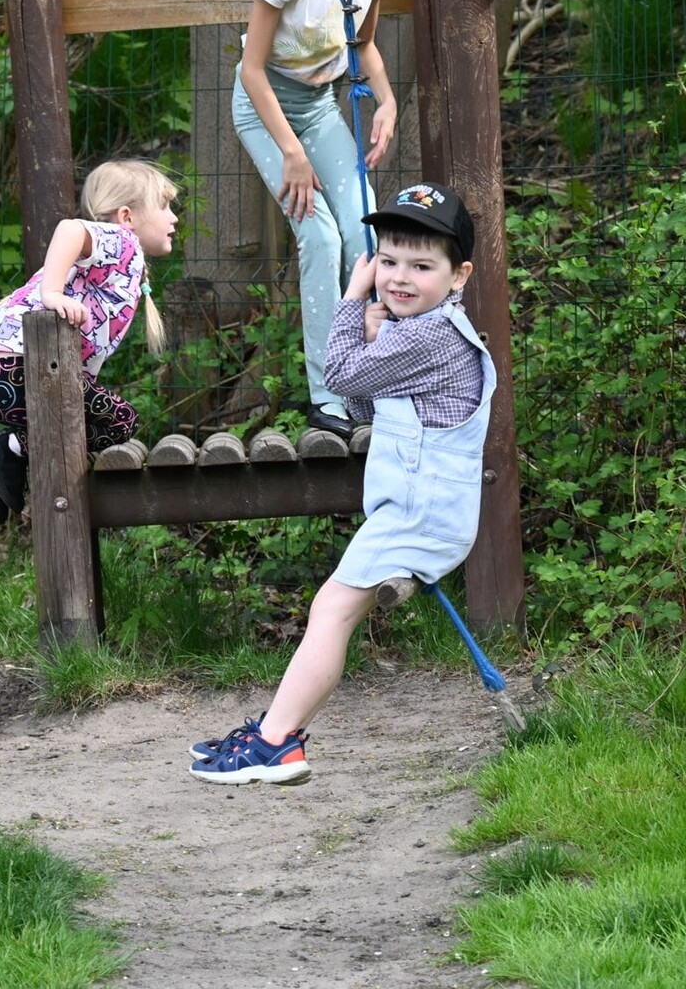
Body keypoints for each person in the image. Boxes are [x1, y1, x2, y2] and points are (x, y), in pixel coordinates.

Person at [188, 183, 496, 785]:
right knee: (331, 611)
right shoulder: (419, 329)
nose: (399, 278)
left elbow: (338, 374)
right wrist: (375, 334)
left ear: (459, 276)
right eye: (388, 261)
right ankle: (277, 732)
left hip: (421, 513)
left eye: (421, 267)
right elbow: (361, 405)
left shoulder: (431, 335)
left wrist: (354, 300)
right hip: (415, 508)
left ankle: (275, 744)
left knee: (329, 610)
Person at [233, 0, 406, 442]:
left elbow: (363, 45)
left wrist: (386, 101)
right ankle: (327, 395)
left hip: (319, 107)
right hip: (266, 111)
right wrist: (292, 153)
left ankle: (370, 377)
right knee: (321, 237)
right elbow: (252, 71)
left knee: (367, 233)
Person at [0, 159, 179, 523]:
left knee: (88, 420)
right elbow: (69, 228)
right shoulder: (121, 241)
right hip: (19, 372)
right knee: (121, 421)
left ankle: (3, 456)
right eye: (165, 206)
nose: (174, 218)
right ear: (126, 216)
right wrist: (52, 293)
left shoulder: (121, 263)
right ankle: (5, 452)